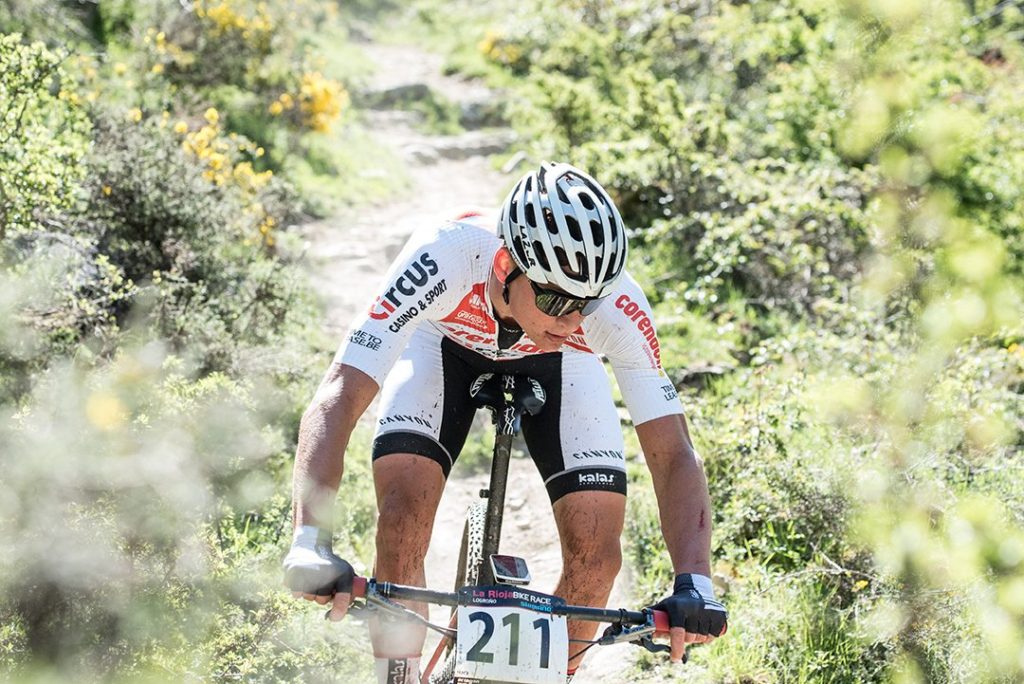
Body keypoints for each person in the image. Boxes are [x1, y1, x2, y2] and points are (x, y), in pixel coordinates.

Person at [282, 161, 727, 683]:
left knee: (598, 557)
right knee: (401, 521)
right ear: (502, 264)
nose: (573, 318)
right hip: (443, 341)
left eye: (586, 302)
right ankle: (397, 674)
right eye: (556, 298)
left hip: (562, 363)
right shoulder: (444, 255)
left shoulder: (606, 313)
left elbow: (673, 452)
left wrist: (694, 580)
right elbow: (338, 396)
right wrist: (309, 538)